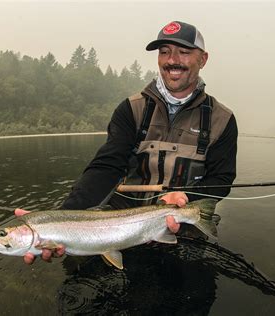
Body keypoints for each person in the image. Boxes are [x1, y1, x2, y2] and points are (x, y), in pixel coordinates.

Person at [18, 21, 238, 264]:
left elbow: (221, 179)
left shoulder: (222, 120)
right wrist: (58, 220)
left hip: (183, 230)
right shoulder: (131, 110)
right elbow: (106, 167)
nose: (171, 60)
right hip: (120, 226)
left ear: (203, 59)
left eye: (183, 52)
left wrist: (187, 196)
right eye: (164, 52)